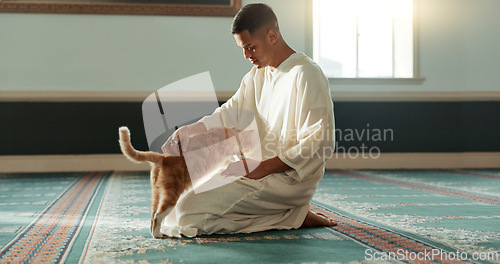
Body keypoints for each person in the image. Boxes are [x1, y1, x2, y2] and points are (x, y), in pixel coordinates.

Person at [160, 3, 336, 238]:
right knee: (176, 206)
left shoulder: (306, 74)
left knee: (187, 215)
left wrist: (259, 168)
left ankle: (292, 212)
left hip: (287, 179)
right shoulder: (257, 75)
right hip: (252, 169)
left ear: (272, 35)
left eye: (251, 47)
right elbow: (230, 111)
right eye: (243, 49)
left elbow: (320, 142)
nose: (246, 56)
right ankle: (290, 215)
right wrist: (188, 130)